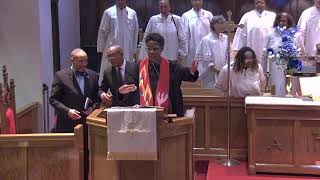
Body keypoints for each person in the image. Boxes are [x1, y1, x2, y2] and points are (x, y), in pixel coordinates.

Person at [49, 48, 100, 180]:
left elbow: (96, 98)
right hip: (67, 124)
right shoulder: (61, 76)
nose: (84, 64)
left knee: (86, 158)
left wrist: (93, 108)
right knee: (66, 158)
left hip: (87, 125)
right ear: (72, 60)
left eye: (86, 60)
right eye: (80, 61)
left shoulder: (93, 75)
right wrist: (68, 111)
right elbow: (53, 99)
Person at [135, 33, 199, 117]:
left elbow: (189, 76)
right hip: (145, 113)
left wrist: (192, 72)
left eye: (155, 49)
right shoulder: (139, 66)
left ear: (161, 49)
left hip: (170, 112)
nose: (151, 52)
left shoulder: (172, 66)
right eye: (149, 49)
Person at [97, 0, 139, 84]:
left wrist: (134, 49)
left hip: (127, 49)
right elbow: (102, 31)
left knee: (126, 70)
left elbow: (135, 31)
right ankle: (108, 92)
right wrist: (101, 49)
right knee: (110, 70)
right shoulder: (108, 12)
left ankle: (127, 91)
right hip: (112, 47)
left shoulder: (132, 13)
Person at [232, 0, 276, 72]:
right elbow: (241, 35)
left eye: (261, 2)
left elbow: (276, 33)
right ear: (254, 4)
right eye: (257, 2)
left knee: (268, 72)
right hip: (251, 49)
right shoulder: (247, 16)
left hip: (268, 50)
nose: (259, 4)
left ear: (265, 3)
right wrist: (237, 50)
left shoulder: (272, 16)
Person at [264, 12, 300, 96]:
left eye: (283, 21)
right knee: (275, 88)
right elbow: (267, 50)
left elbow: (298, 51)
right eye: (279, 21)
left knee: (289, 90)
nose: (281, 23)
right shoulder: (271, 34)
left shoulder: (295, 35)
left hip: (289, 66)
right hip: (275, 65)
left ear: (288, 22)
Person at [195, 15, 228, 88]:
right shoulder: (207, 40)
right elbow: (207, 61)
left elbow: (229, 55)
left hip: (224, 72)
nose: (224, 26)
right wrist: (218, 70)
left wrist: (225, 69)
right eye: (221, 24)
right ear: (215, 26)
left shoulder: (226, 39)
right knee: (211, 94)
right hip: (211, 74)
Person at [181, 0, 213, 67]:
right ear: (191, 2)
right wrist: (184, 52)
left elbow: (213, 32)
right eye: (195, 0)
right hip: (192, 49)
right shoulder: (186, 16)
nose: (197, 2)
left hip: (207, 48)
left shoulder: (208, 14)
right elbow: (184, 36)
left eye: (199, 0)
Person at [297, 0, 320, 65]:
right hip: (311, 59)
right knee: (310, 73)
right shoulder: (306, 13)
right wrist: (302, 54)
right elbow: (300, 35)